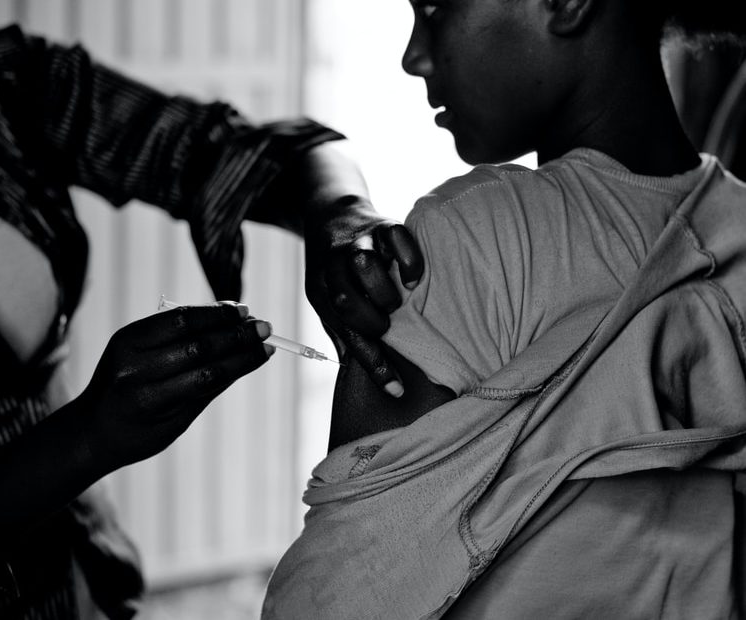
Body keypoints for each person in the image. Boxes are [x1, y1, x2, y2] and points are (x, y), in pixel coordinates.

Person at [262, 1, 746, 618]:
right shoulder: (735, 226)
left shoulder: (474, 238)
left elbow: (329, 600)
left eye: (435, 8)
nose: (413, 56)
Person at [0, 14, 424, 620]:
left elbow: (234, 150)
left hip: (88, 577)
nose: (416, 57)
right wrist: (83, 440)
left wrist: (343, 214)